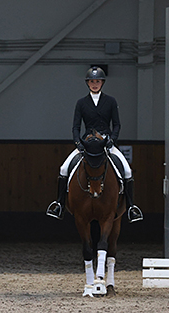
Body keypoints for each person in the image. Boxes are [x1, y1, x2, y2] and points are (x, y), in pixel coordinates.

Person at [46, 66, 143, 223]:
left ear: (102, 82)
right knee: (64, 168)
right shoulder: (81, 103)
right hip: (87, 143)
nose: (95, 84)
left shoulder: (110, 101)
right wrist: (78, 142)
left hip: (106, 142)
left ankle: (131, 207)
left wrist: (112, 139)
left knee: (127, 171)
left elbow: (117, 124)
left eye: (97, 81)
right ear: (88, 83)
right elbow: (76, 126)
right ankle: (59, 204)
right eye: (92, 81)